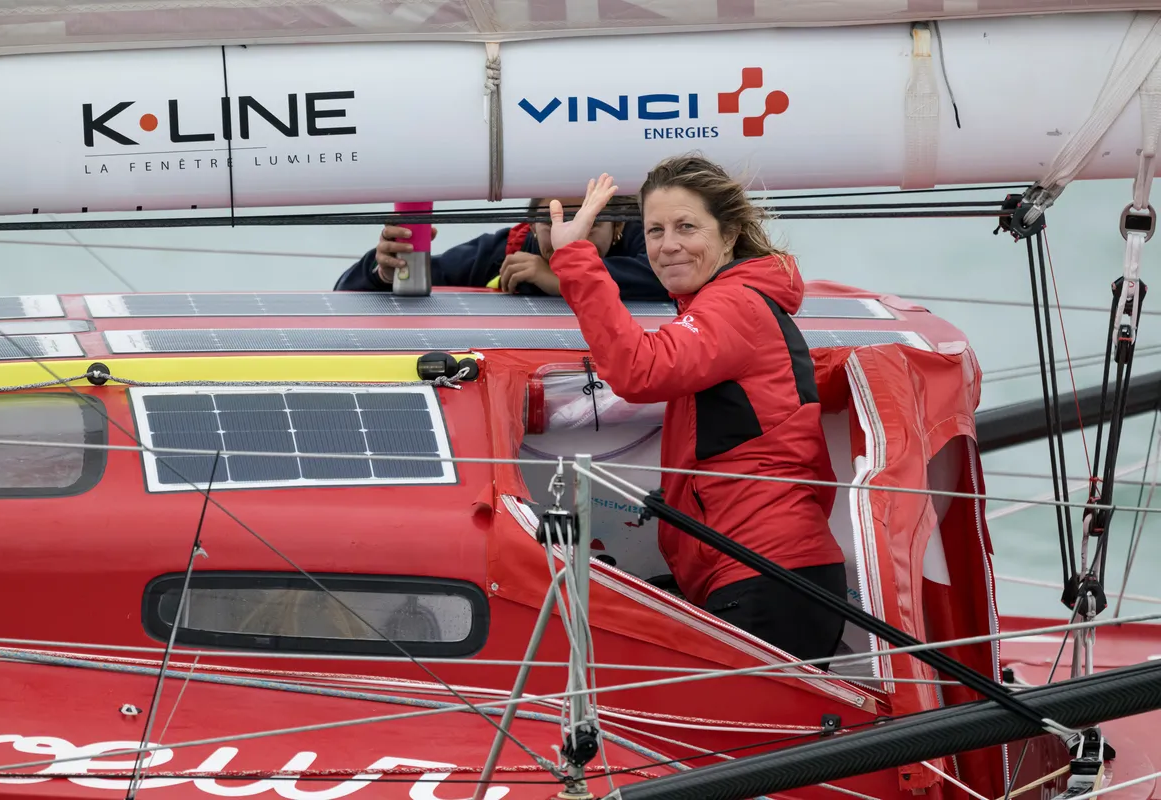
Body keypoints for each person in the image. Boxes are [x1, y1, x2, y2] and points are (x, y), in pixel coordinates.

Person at [544, 155, 848, 663]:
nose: (668, 245)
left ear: (729, 236)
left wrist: (576, 258)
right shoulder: (726, 303)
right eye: (655, 230)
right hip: (758, 573)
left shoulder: (734, 306)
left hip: (767, 576)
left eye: (687, 227)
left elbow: (640, 370)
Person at [333, 197, 667, 301]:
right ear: (532, 224)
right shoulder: (506, 249)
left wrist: (560, 278)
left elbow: (673, 282)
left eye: (588, 222)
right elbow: (347, 294)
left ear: (619, 226)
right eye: (553, 222)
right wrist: (385, 271)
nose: (570, 237)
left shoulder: (649, 242)